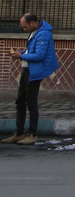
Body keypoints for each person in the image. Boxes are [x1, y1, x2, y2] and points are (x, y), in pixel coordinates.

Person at [3, 13, 59, 145]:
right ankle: (19, 132)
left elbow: (39, 55)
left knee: (31, 102)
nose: (24, 29)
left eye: (25, 26)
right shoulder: (35, 32)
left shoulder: (43, 34)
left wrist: (21, 56)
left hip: (34, 72)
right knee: (20, 101)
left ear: (33, 23)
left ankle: (32, 133)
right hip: (27, 69)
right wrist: (21, 53)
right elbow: (31, 50)